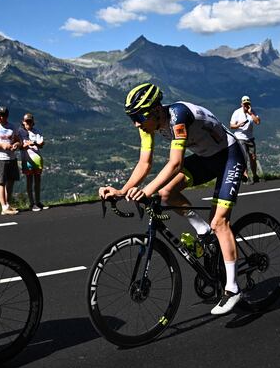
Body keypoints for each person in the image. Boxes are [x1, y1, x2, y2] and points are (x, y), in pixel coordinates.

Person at [98, 83, 246, 315]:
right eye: (132, 118)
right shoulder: (147, 125)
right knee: (168, 193)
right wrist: (122, 190)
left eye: (139, 116)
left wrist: (145, 192)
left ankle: (233, 289)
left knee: (220, 223)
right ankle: (203, 231)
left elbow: (175, 163)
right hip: (205, 158)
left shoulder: (179, 116)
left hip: (229, 157)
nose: (136, 123)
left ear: (156, 110)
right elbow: (144, 163)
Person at [17, 113, 49, 211]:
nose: (28, 123)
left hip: (37, 158)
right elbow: (19, 146)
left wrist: (33, 143)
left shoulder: (37, 131)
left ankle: (38, 202)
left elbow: (41, 144)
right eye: (27, 121)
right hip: (27, 158)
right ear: (23, 122)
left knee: (38, 181)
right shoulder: (20, 132)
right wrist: (24, 145)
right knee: (29, 181)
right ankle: (32, 203)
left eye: (30, 121)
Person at [230, 95, 261, 183]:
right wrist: (239, 125)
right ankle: (246, 176)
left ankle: (255, 175)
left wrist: (251, 113)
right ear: (241, 104)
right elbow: (232, 126)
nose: (246, 106)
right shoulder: (237, 113)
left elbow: (258, 122)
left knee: (253, 157)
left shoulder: (252, 112)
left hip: (250, 138)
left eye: (247, 104)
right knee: (244, 158)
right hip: (240, 138)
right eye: (244, 104)